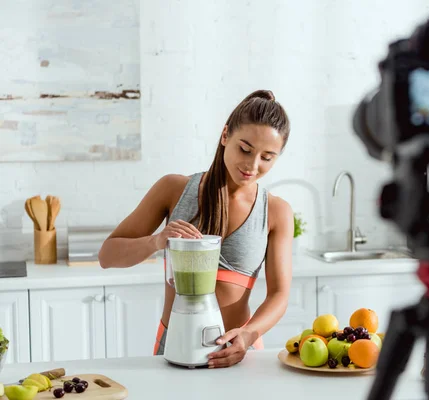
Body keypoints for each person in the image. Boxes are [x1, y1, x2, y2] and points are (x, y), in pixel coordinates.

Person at [98, 89, 294, 368]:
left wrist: (248, 335)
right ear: (226, 136)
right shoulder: (173, 189)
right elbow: (107, 256)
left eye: (267, 157)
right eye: (245, 149)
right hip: (175, 347)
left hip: (237, 352)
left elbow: (279, 294)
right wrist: (156, 242)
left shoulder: (276, 211)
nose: (252, 165)